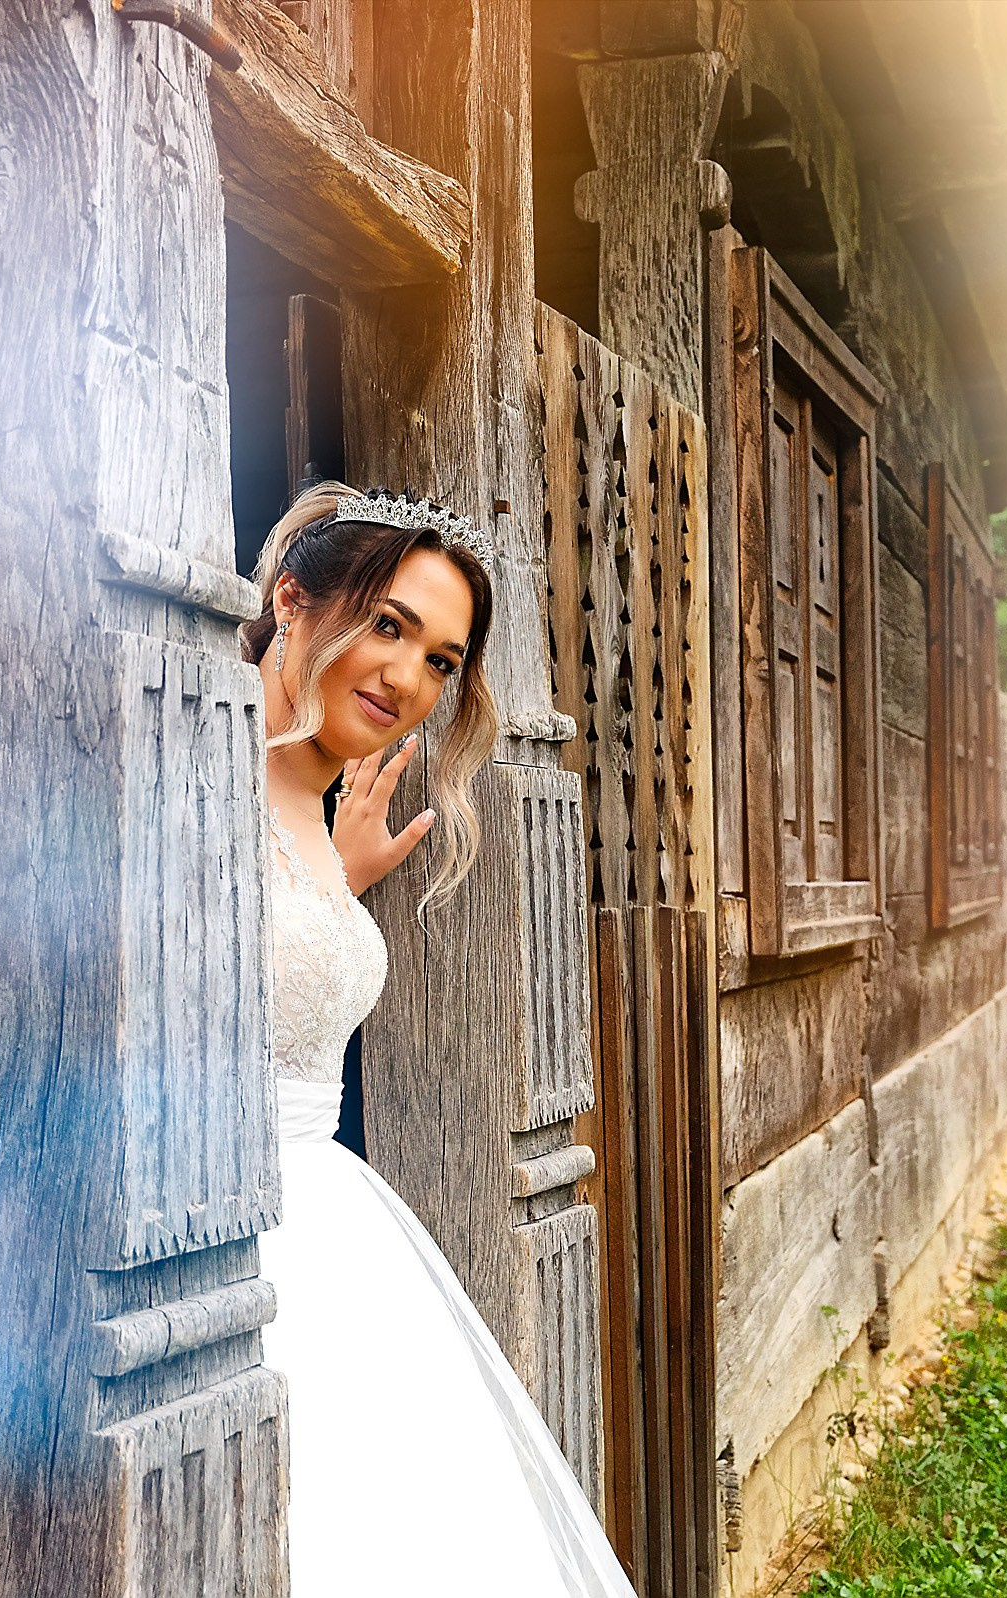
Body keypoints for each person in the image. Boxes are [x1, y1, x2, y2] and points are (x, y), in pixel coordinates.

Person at [245, 482, 634, 1598]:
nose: (407, 676)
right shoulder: (199, 757)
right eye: (386, 623)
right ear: (291, 599)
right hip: (228, 1229)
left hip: (334, 1225)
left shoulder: (320, 820)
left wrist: (337, 891)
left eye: (441, 659)